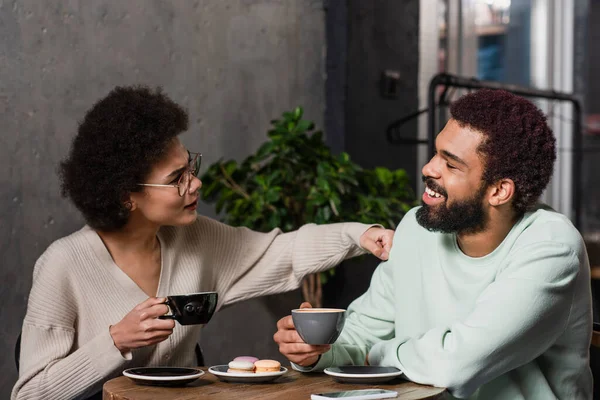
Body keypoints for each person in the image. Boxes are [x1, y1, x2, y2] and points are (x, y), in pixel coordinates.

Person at [12, 85, 396, 400]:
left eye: (190, 166)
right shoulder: (62, 264)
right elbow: (30, 394)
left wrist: (358, 235)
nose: (195, 183)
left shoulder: (197, 238)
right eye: (176, 177)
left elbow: (283, 251)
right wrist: (115, 341)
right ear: (125, 195)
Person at [274, 89, 593, 399]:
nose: (428, 169)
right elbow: (365, 332)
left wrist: (380, 353)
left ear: (499, 191)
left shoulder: (550, 248)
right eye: (436, 153)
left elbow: (456, 363)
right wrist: (317, 351)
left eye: (451, 165)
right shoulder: (417, 227)